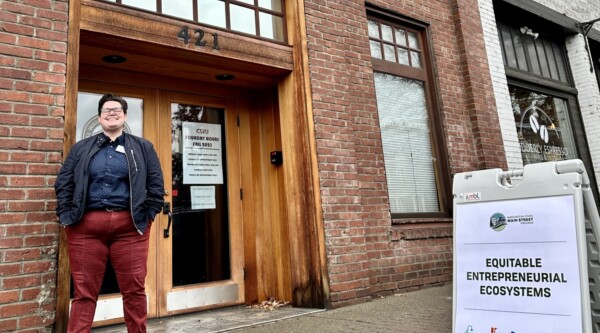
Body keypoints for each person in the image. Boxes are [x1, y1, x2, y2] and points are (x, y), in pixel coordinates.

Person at [54, 93, 164, 333]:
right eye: (106, 110)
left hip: (131, 227)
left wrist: (148, 216)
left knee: (134, 290)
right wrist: (66, 214)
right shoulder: (81, 148)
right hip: (85, 227)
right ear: (99, 116)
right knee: (84, 291)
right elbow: (64, 182)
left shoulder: (143, 147)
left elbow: (156, 186)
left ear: (125, 116)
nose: (111, 113)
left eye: (116, 109)